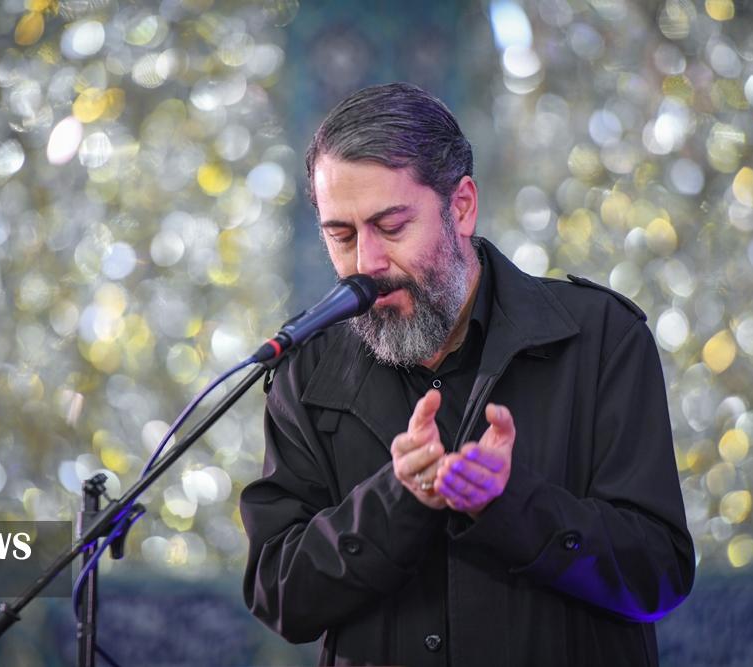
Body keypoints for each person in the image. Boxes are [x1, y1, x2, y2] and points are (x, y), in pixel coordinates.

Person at [240, 82, 694, 667]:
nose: (366, 264)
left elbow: (658, 573)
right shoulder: (305, 367)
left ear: (461, 207)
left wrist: (510, 504)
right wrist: (397, 500)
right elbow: (281, 596)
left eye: (392, 226)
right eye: (342, 236)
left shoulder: (602, 337)